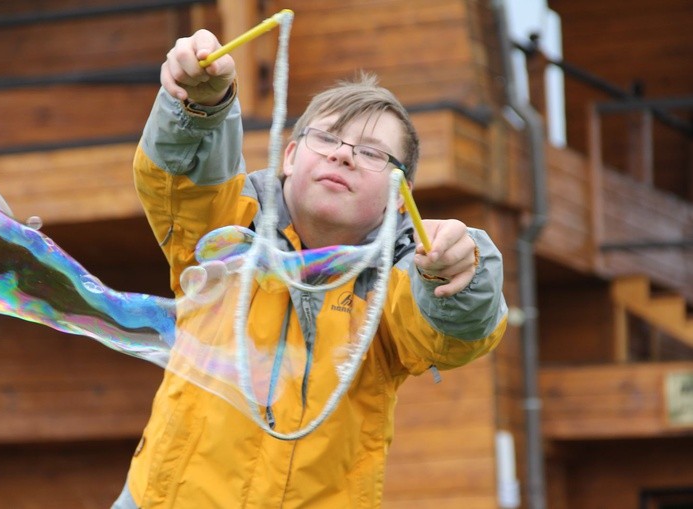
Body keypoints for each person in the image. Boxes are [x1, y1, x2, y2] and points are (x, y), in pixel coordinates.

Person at [112, 28, 507, 509]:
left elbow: (458, 331)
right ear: (292, 155)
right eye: (327, 138)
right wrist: (200, 105)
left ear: (400, 202)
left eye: (372, 153)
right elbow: (176, 175)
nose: (343, 153)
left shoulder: (401, 283)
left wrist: (458, 273)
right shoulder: (223, 225)